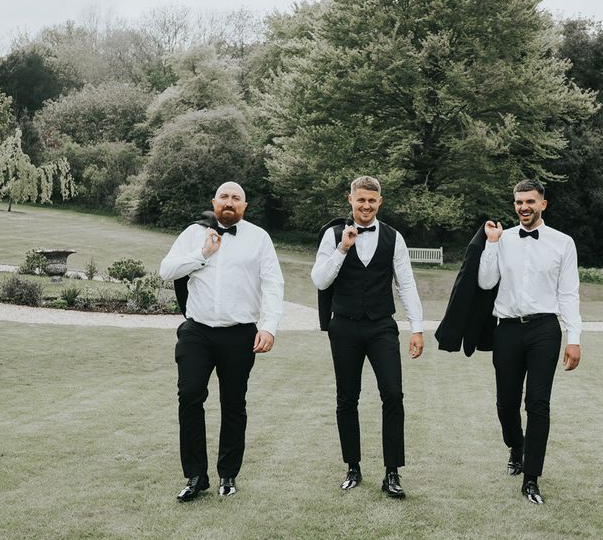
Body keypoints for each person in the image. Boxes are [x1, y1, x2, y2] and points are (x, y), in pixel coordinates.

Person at [160, 181, 284, 501]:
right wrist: (203, 253)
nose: (229, 202)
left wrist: (268, 327)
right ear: (214, 202)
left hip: (239, 332)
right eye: (224, 197)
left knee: (233, 403)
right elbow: (167, 270)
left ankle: (228, 474)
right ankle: (195, 476)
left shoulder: (259, 238)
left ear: (245, 206)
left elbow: (273, 283)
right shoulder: (193, 234)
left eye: (236, 198)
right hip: (197, 330)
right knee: (189, 396)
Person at [311, 176, 424, 499]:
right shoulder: (333, 236)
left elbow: (406, 283)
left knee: (393, 394)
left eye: (372, 201)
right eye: (360, 200)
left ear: (380, 202)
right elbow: (320, 280)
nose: (366, 205)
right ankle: (353, 466)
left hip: (381, 326)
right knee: (347, 397)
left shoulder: (393, 237)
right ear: (350, 200)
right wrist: (343, 248)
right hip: (344, 326)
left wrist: (416, 327)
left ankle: (392, 472)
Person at [477, 178, 581, 504]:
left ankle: (531, 478)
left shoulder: (563, 243)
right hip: (506, 328)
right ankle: (516, 446)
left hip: (544, 330)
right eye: (519, 202)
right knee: (506, 403)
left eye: (530, 202)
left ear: (543, 204)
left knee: (538, 404)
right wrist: (491, 244)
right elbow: (484, 281)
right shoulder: (501, 238)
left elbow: (568, 294)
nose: (524, 207)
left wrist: (573, 338)